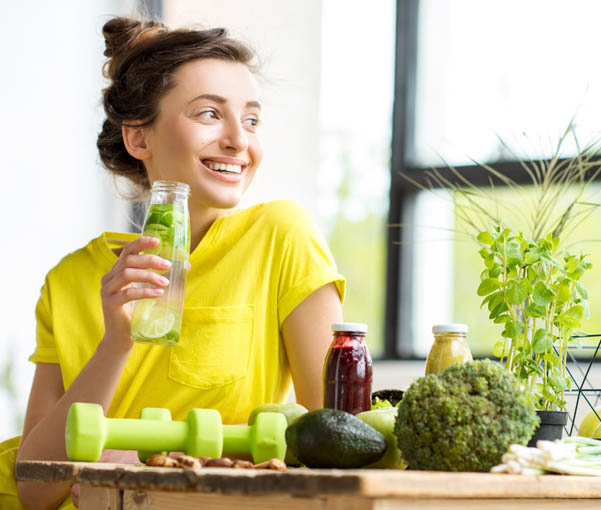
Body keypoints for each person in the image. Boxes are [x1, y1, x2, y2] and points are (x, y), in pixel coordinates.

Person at [0, 16, 344, 510]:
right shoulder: (71, 279)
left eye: (250, 119)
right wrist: (116, 342)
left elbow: (338, 441)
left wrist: (140, 460)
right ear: (139, 139)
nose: (238, 140)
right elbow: (35, 489)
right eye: (209, 114)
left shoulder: (283, 238)